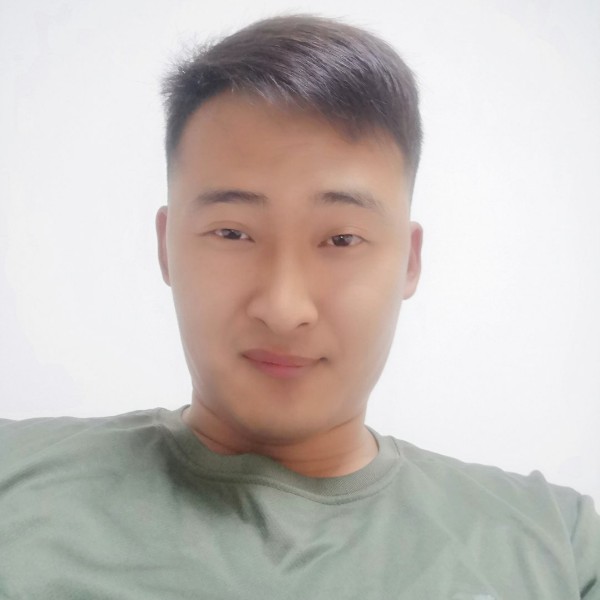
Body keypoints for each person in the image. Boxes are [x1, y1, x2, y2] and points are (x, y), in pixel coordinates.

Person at [1, 14, 598, 599]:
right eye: (233, 233)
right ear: (166, 247)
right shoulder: (13, 475)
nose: (285, 310)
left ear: (409, 261)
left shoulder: (558, 542)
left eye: (342, 239)